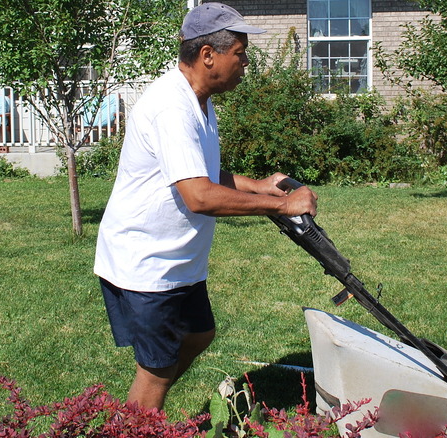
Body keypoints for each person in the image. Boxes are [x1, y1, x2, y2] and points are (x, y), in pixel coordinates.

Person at [94, 2, 318, 411]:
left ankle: (142, 404)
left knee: (200, 334)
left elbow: (204, 174)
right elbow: (198, 196)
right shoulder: (172, 106)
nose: (246, 63)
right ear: (208, 55)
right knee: (157, 371)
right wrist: (282, 207)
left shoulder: (199, 100)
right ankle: (139, 414)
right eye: (240, 53)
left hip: (178, 262)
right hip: (147, 262)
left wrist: (262, 186)